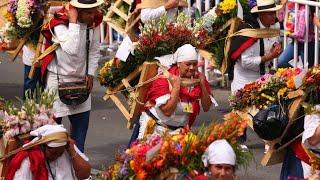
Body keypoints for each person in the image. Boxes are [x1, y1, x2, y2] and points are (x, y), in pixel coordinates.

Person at [40, 0, 103, 152]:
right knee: (52, 141)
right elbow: (72, 49)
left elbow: (94, 50)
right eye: (88, 12)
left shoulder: (94, 23)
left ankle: (78, 172)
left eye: (93, 10)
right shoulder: (59, 23)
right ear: (77, 11)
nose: (92, 15)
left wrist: (90, 73)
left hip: (81, 82)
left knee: (79, 140)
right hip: (57, 83)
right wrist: (74, 21)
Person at [136, 44, 217, 140]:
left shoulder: (198, 78)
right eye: (188, 64)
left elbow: (207, 107)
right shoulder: (164, 77)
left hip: (180, 132)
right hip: (156, 129)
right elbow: (167, 111)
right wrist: (176, 87)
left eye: (194, 64)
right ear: (178, 64)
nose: (192, 68)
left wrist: (203, 85)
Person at [229, 0, 282, 145]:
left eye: (275, 13)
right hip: (243, 77)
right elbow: (245, 62)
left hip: (262, 75)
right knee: (241, 112)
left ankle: (269, 141)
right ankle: (239, 142)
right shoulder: (249, 30)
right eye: (271, 14)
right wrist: (268, 57)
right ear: (261, 14)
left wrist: (277, 50)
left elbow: (275, 44)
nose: (274, 17)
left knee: (267, 109)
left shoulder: (275, 26)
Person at [5, 124, 92, 180]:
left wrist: (72, 152)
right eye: (53, 153)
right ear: (43, 146)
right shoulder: (29, 158)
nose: (57, 156)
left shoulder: (67, 148)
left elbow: (85, 174)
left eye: (60, 153)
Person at [277, 0, 315, 68]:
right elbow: (280, 18)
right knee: (280, 61)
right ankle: (296, 73)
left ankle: (299, 74)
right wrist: (282, 5)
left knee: (307, 69)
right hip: (295, 42)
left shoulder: (304, 9)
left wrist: (286, 33)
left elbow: (300, 34)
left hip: (307, 44)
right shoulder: (290, 6)